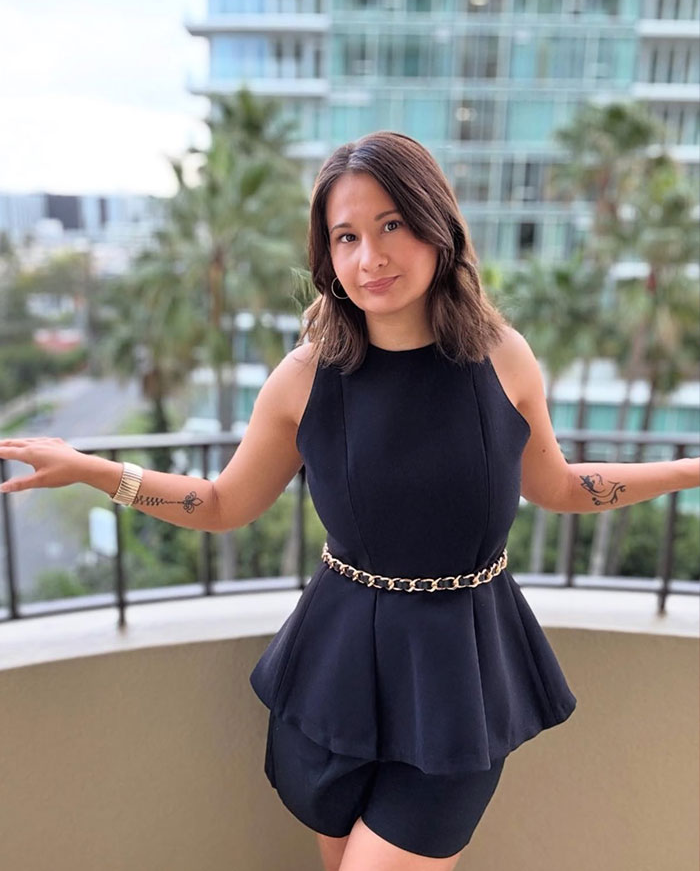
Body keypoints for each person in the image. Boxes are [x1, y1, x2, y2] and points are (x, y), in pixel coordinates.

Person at [0, 130, 697, 871]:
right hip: (336, 679)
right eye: (347, 236)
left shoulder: (504, 357)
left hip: (459, 677)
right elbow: (222, 503)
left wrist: (687, 471)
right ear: (326, 255)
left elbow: (556, 485)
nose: (372, 257)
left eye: (392, 224)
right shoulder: (306, 377)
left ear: (438, 226)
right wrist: (92, 470)